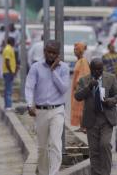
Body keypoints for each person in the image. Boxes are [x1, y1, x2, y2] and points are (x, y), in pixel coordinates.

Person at [24, 40, 70, 175]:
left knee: (55, 144)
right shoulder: (35, 67)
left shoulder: (64, 68)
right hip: (40, 111)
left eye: (54, 53)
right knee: (42, 147)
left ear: (58, 54)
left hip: (57, 110)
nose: (51, 55)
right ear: (44, 52)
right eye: (48, 52)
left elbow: (63, 89)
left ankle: (54, 173)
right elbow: (29, 87)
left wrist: (53, 71)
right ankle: (44, 172)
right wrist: (29, 104)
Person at [74, 58, 117, 175]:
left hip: (106, 119)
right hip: (91, 119)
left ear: (103, 68)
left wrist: (110, 100)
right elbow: (78, 96)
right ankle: (95, 173)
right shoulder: (84, 80)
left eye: (100, 69)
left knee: (105, 145)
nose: (98, 72)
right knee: (94, 150)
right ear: (91, 69)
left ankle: (106, 172)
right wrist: (89, 87)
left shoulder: (110, 78)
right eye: (95, 69)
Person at [70, 42, 90, 132]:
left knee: (82, 108)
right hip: (77, 89)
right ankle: (82, 126)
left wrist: (78, 86)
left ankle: (84, 127)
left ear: (81, 51)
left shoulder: (83, 61)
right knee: (78, 108)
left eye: (77, 49)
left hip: (80, 89)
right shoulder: (78, 61)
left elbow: (84, 75)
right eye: (74, 49)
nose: (75, 51)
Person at [2, 36, 17, 110]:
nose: (15, 43)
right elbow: (7, 62)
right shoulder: (8, 49)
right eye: (14, 42)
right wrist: (11, 72)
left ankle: (7, 105)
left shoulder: (9, 48)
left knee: (8, 89)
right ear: (12, 42)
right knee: (8, 90)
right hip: (8, 72)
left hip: (8, 72)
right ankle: (8, 106)